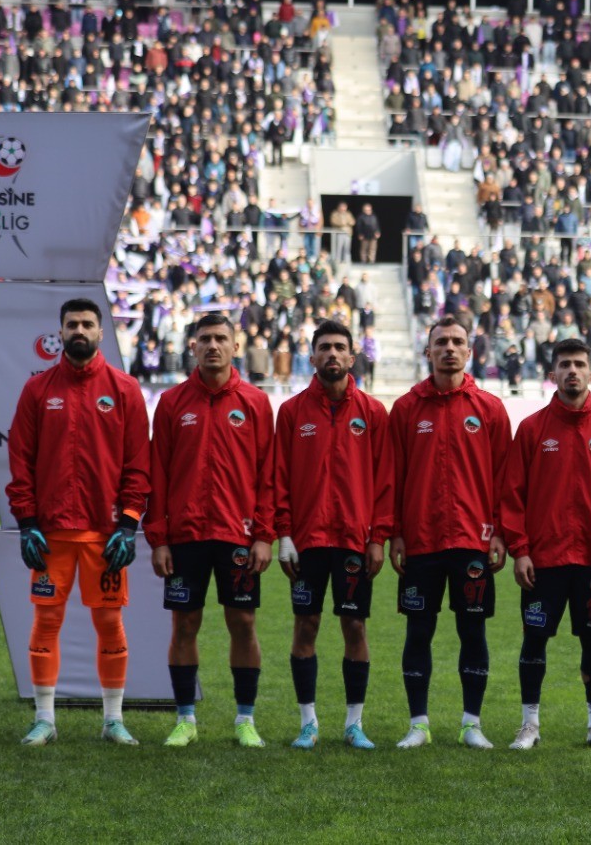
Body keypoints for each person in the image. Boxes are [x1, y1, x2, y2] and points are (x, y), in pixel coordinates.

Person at [6, 298, 150, 746]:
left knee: (109, 625)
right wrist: (27, 521)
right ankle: (45, 719)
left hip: (104, 536)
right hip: (50, 535)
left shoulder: (124, 390)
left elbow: (138, 466)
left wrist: (127, 524)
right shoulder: (37, 390)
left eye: (88, 323)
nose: (80, 330)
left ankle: (113, 721)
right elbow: (21, 462)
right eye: (72, 324)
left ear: (101, 332)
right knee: (45, 622)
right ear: (61, 331)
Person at [373, 316, 511, 750]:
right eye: (441, 343)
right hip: (421, 542)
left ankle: (472, 724)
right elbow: (392, 476)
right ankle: (419, 724)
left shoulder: (489, 409)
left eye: (457, 342)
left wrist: (500, 534)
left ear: (469, 352)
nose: (449, 348)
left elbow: (505, 479)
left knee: (473, 633)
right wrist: (395, 533)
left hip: (473, 540)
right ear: (427, 352)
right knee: (418, 632)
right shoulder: (407, 409)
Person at [499, 339, 591, 753]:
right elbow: (512, 495)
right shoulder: (532, 429)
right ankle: (529, 724)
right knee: (534, 640)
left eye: (579, 364)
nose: (572, 371)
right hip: (544, 560)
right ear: (552, 375)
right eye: (564, 365)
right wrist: (519, 549)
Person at [149, 314, 276, 749]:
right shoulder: (171, 402)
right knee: (184, 625)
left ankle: (245, 719)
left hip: (237, 535)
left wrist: (263, 534)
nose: (213, 346)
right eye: (205, 339)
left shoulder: (256, 402)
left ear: (236, 346)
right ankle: (185, 718)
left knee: (243, 622)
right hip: (185, 536)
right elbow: (158, 474)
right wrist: (159, 538)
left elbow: (268, 475)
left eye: (221, 338)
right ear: (192, 346)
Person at [273, 319, 389, 750]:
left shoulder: (374, 413)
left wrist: (378, 537)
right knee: (305, 625)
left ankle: (354, 723)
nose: (332, 355)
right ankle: (309, 723)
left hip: (354, 541)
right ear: (313, 357)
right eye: (324, 348)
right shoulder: (291, 412)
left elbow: (385, 482)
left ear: (352, 357)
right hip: (307, 542)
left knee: (354, 626)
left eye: (340, 348)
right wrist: (284, 534)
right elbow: (279, 478)